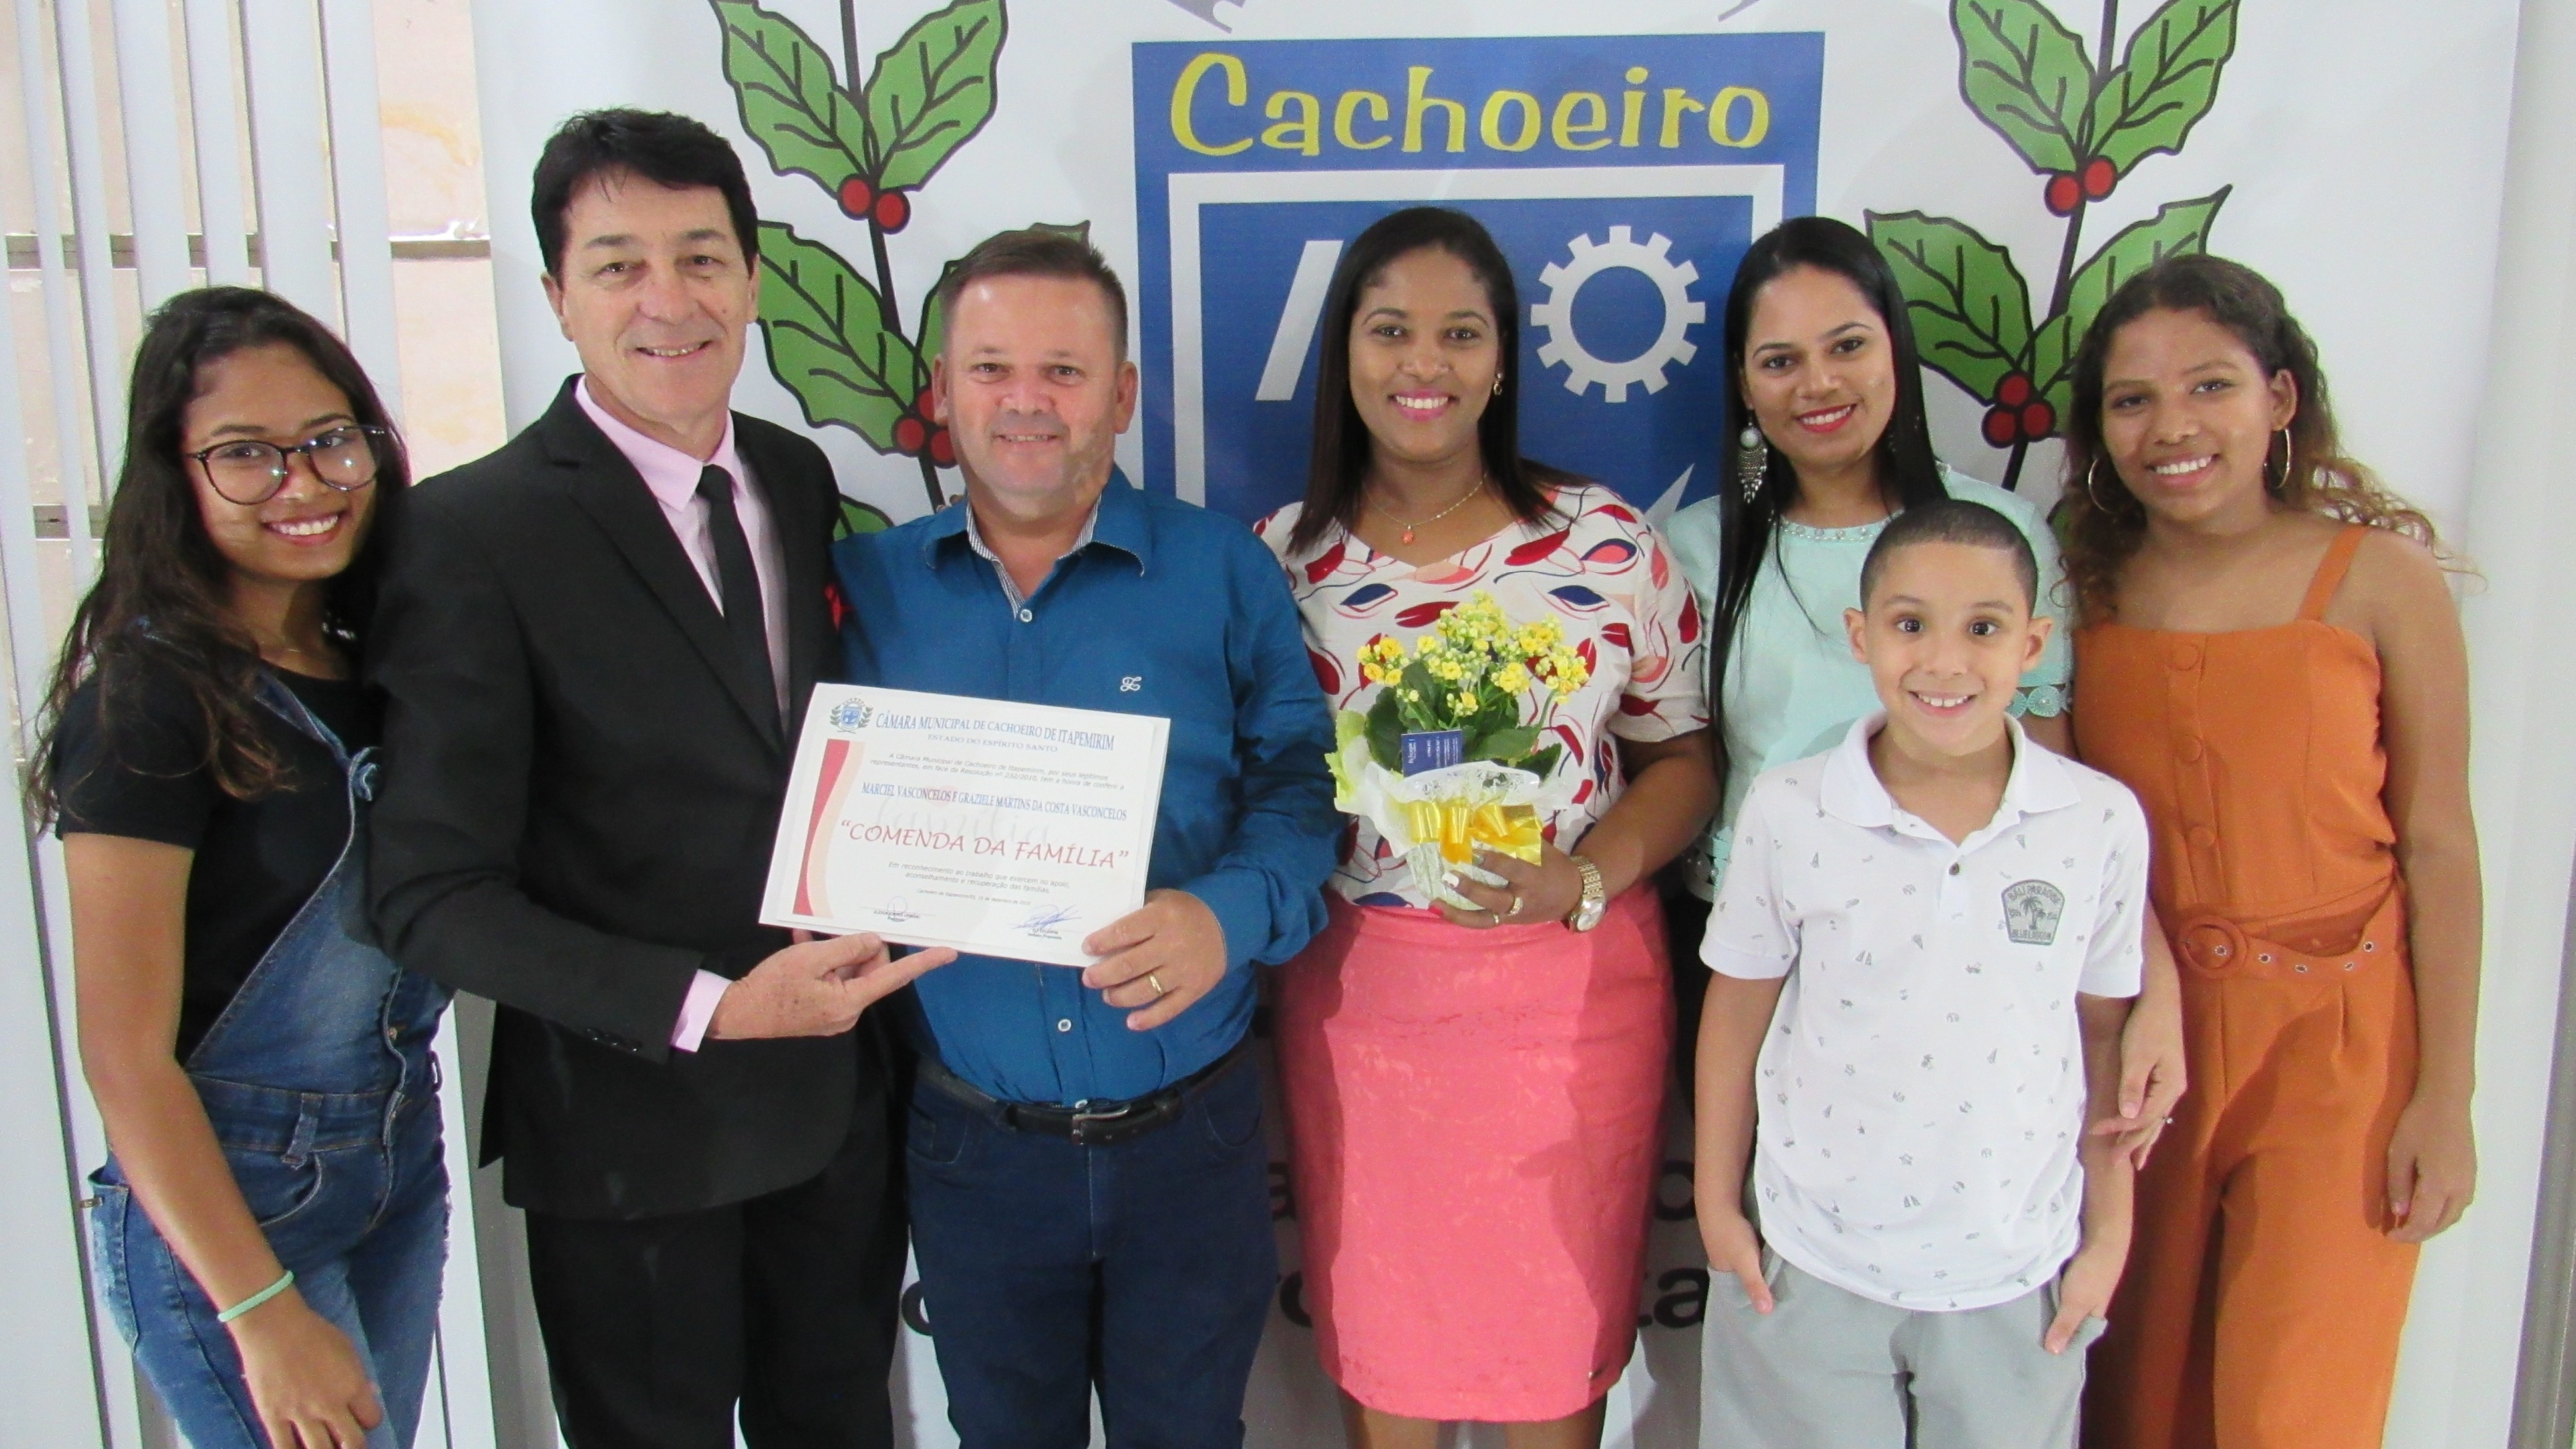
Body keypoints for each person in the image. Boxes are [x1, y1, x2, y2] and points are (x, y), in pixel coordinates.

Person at [368, 110, 948, 1449]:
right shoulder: (467, 533)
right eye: (619, 265)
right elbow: (429, 894)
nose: (668, 301)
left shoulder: (793, 473)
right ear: (557, 296)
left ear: (752, 278)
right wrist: (712, 1007)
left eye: (700, 257)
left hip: (832, 1114)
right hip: (628, 1138)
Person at [831, 227, 1339, 1447]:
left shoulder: (1223, 571)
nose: (1026, 402)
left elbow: (1304, 788)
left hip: (1192, 1143)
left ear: (1121, 394)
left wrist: (1227, 913)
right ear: (941, 391)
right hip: (973, 1149)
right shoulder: (862, 588)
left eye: (1063, 371)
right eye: (992, 368)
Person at [1253, 206, 1715, 1448]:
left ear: (1504, 358)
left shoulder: (1605, 543)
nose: (1426, 363)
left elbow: (1685, 758)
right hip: (1367, 1013)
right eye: (1391, 330)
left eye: (1461, 333)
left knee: (1553, 1361)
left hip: (1573, 1007)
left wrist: (1584, 875)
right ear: (1345, 352)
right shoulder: (1280, 561)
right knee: (1390, 1355)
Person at [2064, 255, 2482, 1449]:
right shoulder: (2077, 591)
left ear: (2281, 398)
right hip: (2142, 1048)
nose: (2172, 427)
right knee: (2132, 1397)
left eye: (2212, 386)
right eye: (2133, 399)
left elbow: (2442, 846)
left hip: (2340, 1055)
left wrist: (2445, 1096)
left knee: (2297, 1406)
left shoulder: (2381, 580)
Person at [1663, 214, 2185, 1138]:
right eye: (1780, 361)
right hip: (1759, 967)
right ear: (1743, 383)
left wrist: (2158, 984)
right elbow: (1676, 772)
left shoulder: (2002, 535)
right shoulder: (1694, 549)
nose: (1818, 383)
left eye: (1847, 346)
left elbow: (2063, 794)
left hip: (1973, 966)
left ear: (1895, 352)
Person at [41, 286, 445, 1449]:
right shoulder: (148, 700)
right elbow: (124, 1058)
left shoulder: (377, 662)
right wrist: (260, 1311)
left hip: (395, 1168)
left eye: (328, 440)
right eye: (246, 455)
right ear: (175, 475)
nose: (303, 483)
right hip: (234, 1213)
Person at [1695, 498, 2146, 1449]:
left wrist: (2108, 1237)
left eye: (1983, 629)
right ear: (1861, 636)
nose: (1945, 662)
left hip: (2017, 1270)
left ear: (2033, 645)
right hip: (1807, 1259)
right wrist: (1716, 1205)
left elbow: (2104, 1036)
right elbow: (1735, 1016)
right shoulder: (1792, 808)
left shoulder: (2096, 820)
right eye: (1910, 625)